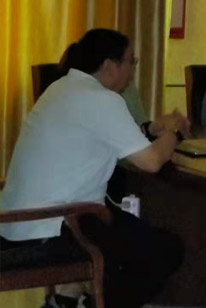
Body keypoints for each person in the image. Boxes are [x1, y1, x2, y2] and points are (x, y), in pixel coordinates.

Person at [0, 28, 189, 308]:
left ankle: (65, 301)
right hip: (57, 225)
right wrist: (176, 133)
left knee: (129, 235)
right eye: (131, 61)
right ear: (111, 65)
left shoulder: (61, 88)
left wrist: (151, 129)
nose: (133, 71)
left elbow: (99, 136)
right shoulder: (103, 99)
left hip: (19, 221)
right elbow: (151, 162)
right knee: (167, 250)